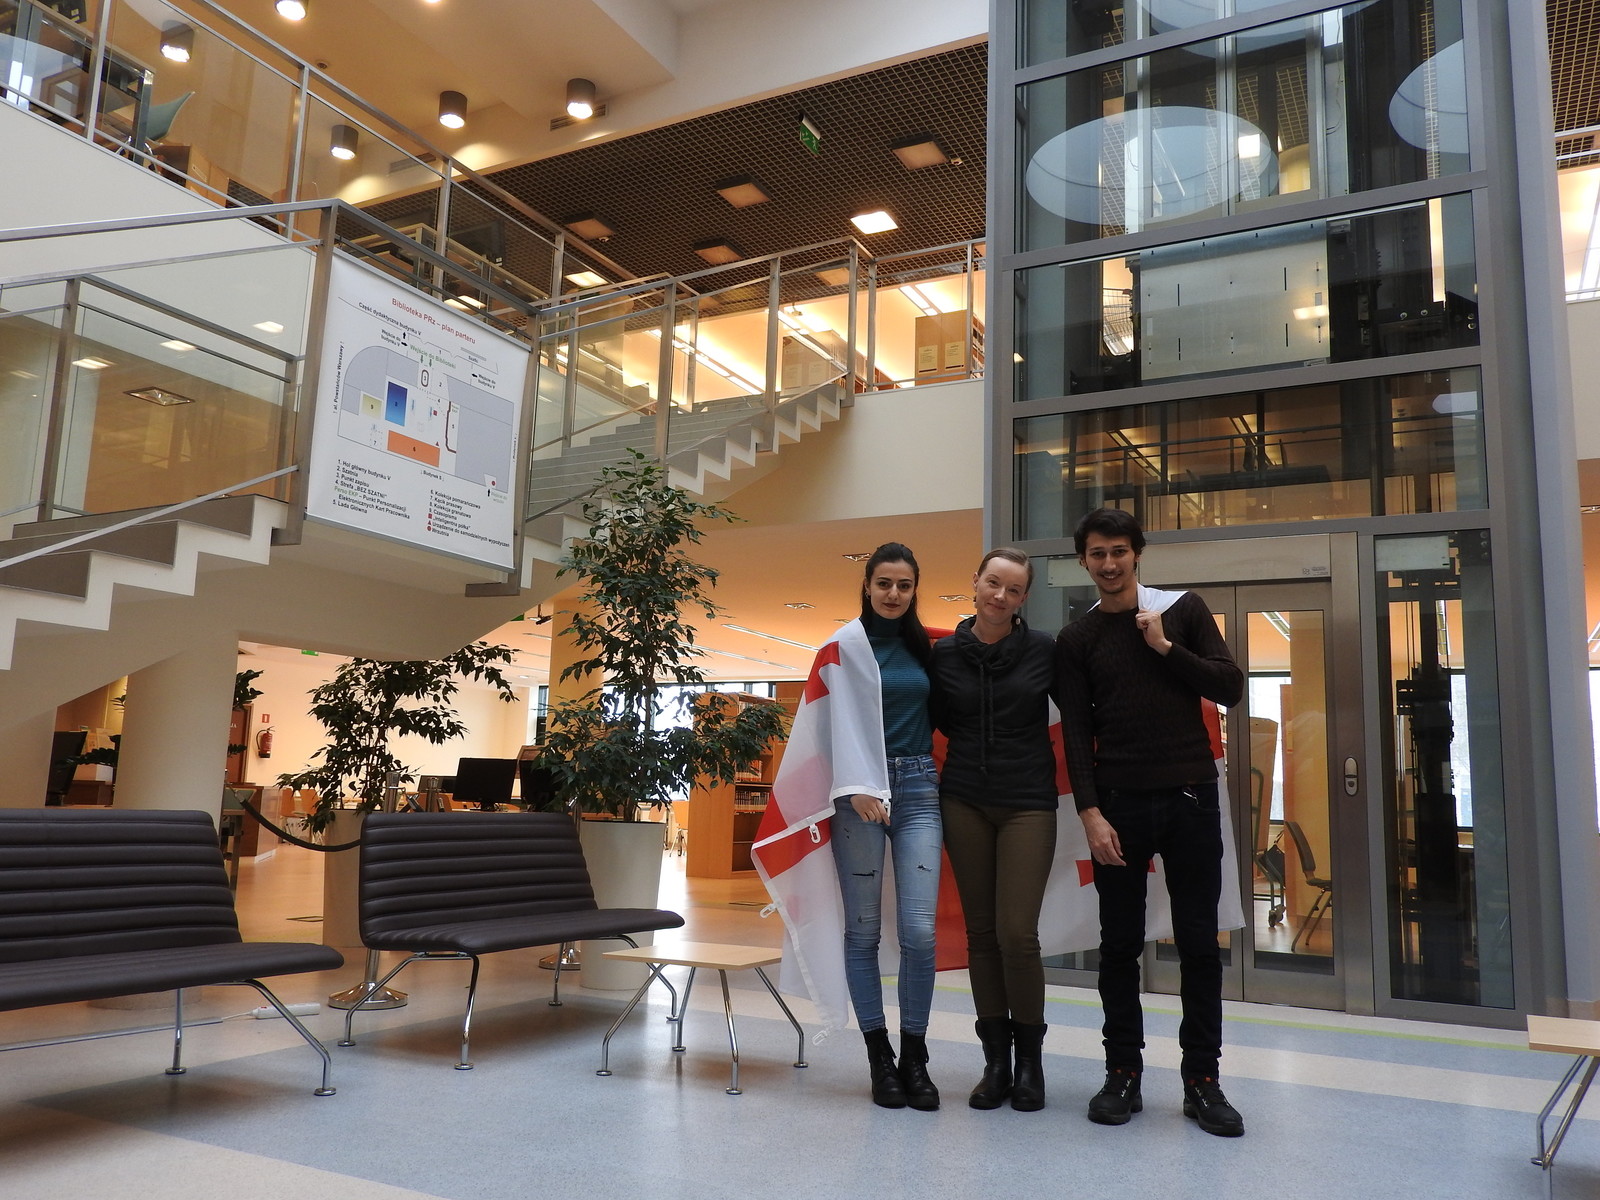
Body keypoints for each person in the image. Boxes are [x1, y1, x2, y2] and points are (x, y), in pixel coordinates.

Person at [1054, 507, 1247, 1138]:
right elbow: (1076, 733)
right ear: (1083, 561)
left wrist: (1165, 647)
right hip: (1119, 806)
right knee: (1118, 947)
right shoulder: (1078, 639)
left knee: (1199, 946)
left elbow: (1230, 686)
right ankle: (1122, 1075)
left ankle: (1203, 1081)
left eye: (1119, 551)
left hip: (1191, 799)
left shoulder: (1182, 611)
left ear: (1138, 553)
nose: (1109, 563)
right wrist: (1090, 813)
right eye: (1097, 553)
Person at [929, 547, 1059, 1112]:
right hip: (964, 800)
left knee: (1016, 933)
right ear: (976, 583)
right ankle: (996, 1063)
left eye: (1013, 589)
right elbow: (929, 720)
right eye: (992, 583)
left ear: (1024, 598)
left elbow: (1082, 716)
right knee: (980, 934)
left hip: (1028, 802)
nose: (1000, 596)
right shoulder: (943, 655)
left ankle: (1030, 1064)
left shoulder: (1043, 650)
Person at [821, 542, 943, 1110]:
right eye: (884, 583)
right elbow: (825, 725)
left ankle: (915, 1055)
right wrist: (855, 784)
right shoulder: (843, 647)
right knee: (863, 930)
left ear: (915, 590)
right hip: (858, 795)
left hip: (917, 786)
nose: (894, 594)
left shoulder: (925, 648)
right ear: (867, 586)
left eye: (904, 585)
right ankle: (879, 1056)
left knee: (919, 932)